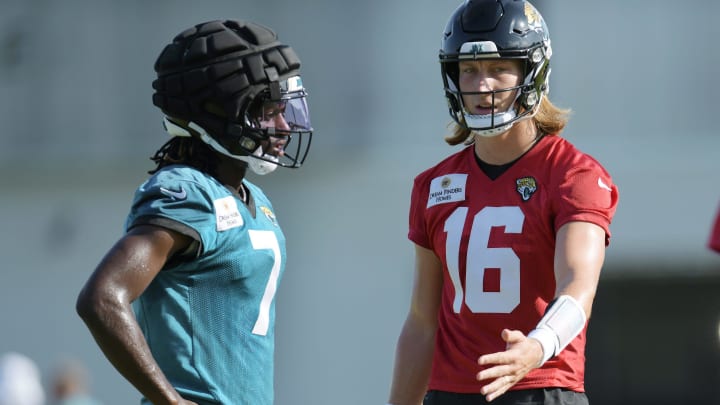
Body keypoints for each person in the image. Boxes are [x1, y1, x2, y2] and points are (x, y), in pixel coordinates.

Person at [387, 1, 618, 404]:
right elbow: (422, 323)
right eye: (469, 70)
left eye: (498, 69)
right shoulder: (433, 184)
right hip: (451, 394)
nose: (481, 86)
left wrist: (537, 345)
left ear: (533, 72)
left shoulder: (572, 174)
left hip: (541, 388)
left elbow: (579, 284)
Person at [76, 19, 312, 405]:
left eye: (283, 109)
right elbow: (102, 297)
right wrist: (170, 400)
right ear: (218, 111)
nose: (283, 126)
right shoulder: (188, 194)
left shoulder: (253, 197)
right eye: (268, 110)